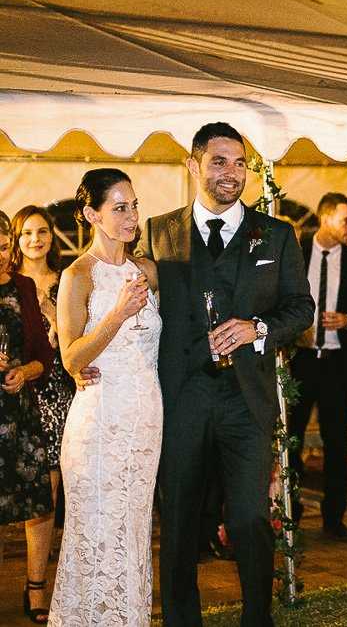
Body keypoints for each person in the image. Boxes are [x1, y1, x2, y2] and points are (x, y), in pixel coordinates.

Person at [135, 122, 313, 627]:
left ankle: (257, 619)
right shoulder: (158, 231)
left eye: (240, 164)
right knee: (179, 521)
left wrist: (258, 328)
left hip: (246, 397)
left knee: (250, 517)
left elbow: (301, 309)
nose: (232, 173)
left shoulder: (276, 234)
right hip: (181, 395)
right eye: (219, 161)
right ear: (193, 166)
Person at [46, 169, 160, 625]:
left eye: (134, 206)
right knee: (97, 529)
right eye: (120, 208)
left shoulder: (147, 271)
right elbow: (72, 358)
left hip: (146, 417)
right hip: (100, 419)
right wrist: (117, 313)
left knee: (134, 528)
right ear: (92, 214)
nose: (132, 217)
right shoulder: (77, 275)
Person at [288, 192, 347, 540]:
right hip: (301, 362)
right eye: (345, 220)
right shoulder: (296, 252)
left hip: (336, 364)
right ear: (325, 219)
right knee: (291, 440)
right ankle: (290, 513)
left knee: (336, 444)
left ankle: (334, 518)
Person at [0, 210, 55, 625]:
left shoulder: (23, 286)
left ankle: (36, 590)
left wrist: (25, 372)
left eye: (3, 247)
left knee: (39, 503)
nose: (0, 255)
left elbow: (44, 356)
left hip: (21, 414)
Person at [12, 206, 76, 526]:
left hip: (56, 390)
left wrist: (51, 310)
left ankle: (44, 549)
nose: (35, 239)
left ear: (52, 237)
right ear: (15, 238)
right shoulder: (7, 282)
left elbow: (80, 337)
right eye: (27, 232)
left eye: (42, 232)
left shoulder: (68, 280)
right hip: (14, 387)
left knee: (48, 482)